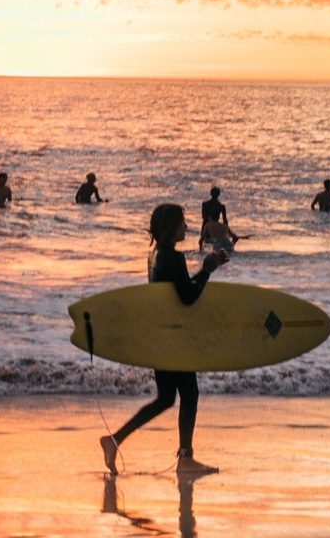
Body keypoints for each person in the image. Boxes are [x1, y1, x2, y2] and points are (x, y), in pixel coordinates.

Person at [100, 203, 229, 478]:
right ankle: (185, 459)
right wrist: (206, 270)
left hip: (160, 335)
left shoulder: (156, 255)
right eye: (182, 222)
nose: (187, 227)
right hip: (173, 338)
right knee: (188, 395)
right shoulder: (173, 258)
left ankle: (114, 440)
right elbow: (188, 298)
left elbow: (178, 289)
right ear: (171, 228)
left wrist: (209, 269)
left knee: (167, 398)